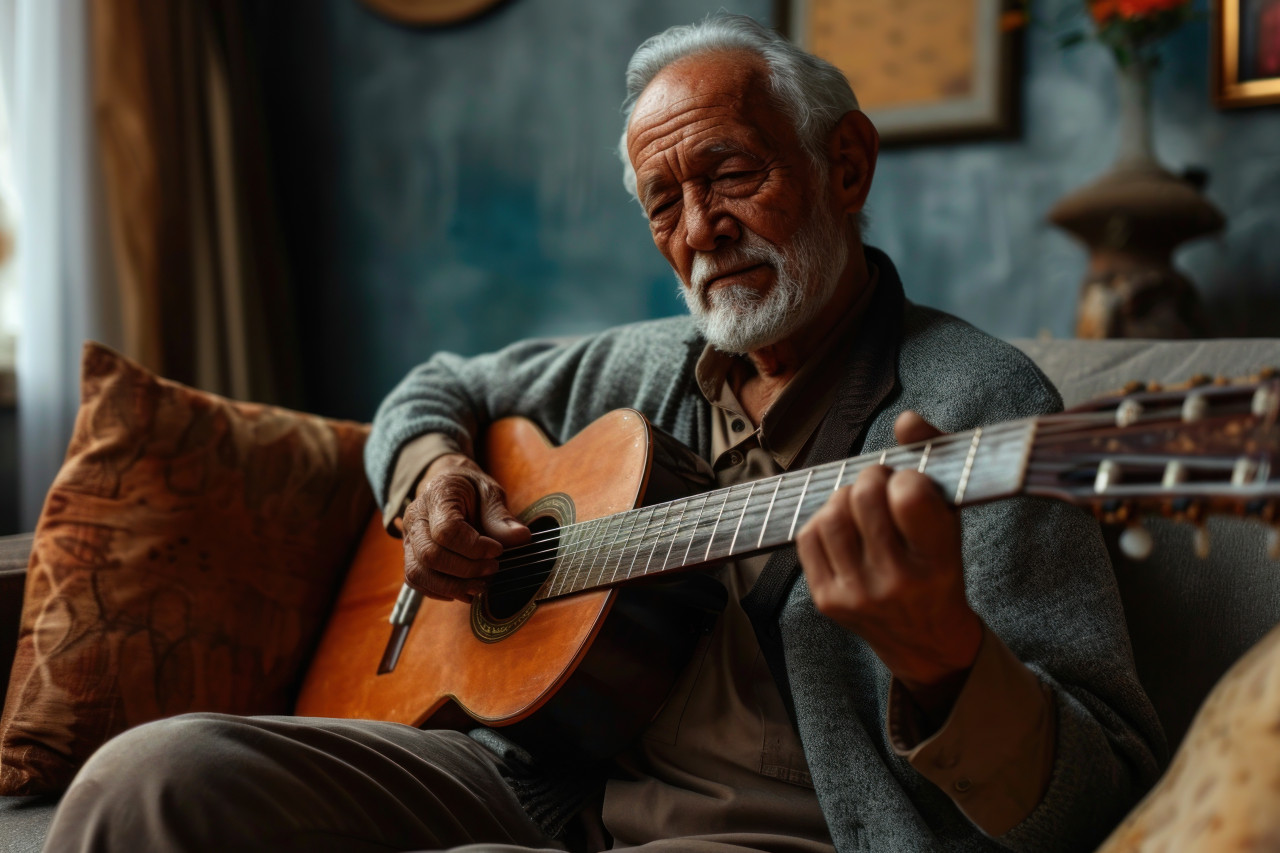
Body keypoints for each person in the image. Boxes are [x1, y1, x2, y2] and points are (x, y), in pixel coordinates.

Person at [43, 14, 1165, 853]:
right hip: (538, 782)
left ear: (845, 164)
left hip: (778, 831)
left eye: (730, 173)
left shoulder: (979, 406)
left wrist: (943, 662)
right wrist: (432, 477)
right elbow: (436, 386)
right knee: (151, 773)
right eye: (662, 203)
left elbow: (1103, 793)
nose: (699, 230)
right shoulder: (632, 367)